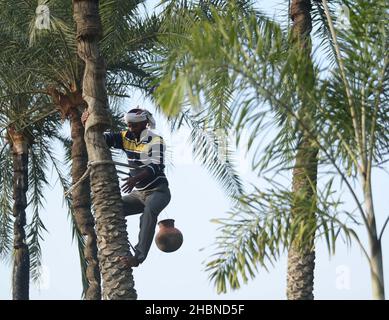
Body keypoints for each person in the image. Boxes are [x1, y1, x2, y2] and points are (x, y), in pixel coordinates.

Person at [81, 108, 171, 267]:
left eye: (134, 126)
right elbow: (100, 140)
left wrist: (134, 179)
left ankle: (138, 258)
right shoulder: (125, 137)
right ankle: (110, 246)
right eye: (129, 126)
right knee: (111, 208)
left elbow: (155, 167)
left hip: (158, 191)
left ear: (145, 123)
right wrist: (86, 124)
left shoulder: (156, 141)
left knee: (148, 213)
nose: (131, 129)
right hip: (139, 194)